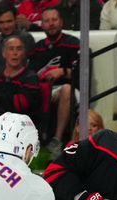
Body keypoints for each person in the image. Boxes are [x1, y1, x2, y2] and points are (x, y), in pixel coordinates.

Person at [30, 6, 81, 155]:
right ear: (42, 24)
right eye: (47, 21)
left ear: (61, 22)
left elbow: (83, 73)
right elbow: (31, 74)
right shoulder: (38, 47)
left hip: (72, 90)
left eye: (54, 20)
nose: (51, 23)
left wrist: (63, 71)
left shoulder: (73, 43)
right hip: (45, 88)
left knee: (65, 89)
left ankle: (57, 140)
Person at [0, 35, 41, 122]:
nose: (15, 53)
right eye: (11, 49)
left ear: (23, 54)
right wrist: (9, 99)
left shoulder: (31, 77)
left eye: (19, 49)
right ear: (4, 53)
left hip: (21, 124)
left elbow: (23, 105)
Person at [0, 2, 36, 73]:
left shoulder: (26, 39)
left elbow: (31, 67)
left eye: (9, 21)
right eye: (1, 22)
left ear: (15, 20)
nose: (6, 26)